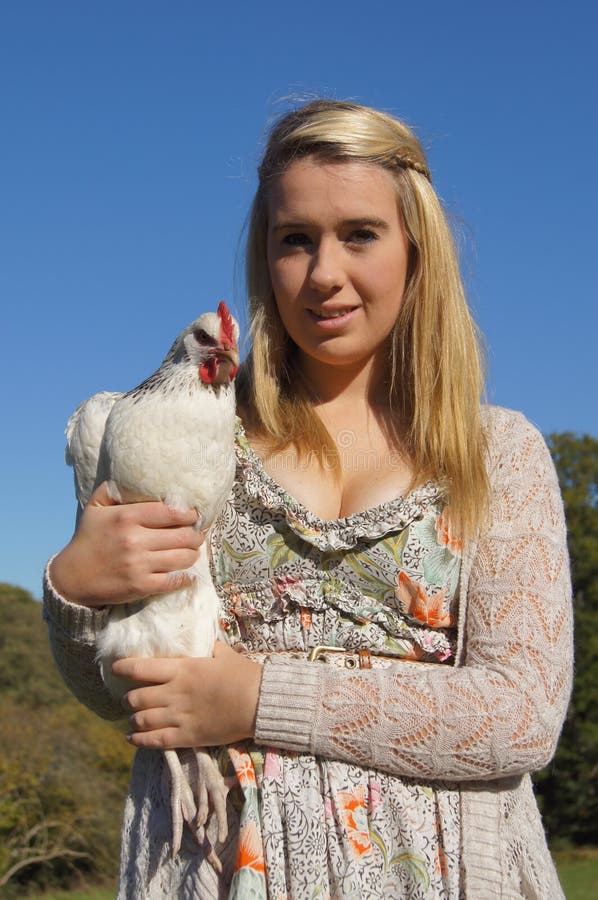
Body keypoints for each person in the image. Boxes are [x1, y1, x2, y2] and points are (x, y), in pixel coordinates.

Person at [44, 99, 573, 899]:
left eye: (359, 234)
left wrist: (259, 698)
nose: (324, 273)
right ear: (265, 258)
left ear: (415, 248)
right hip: (216, 868)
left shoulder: (499, 453)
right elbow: (127, 698)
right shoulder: (200, 440)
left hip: (446, 875)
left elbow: (521, 716)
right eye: (295, 240)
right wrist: (76, 596)